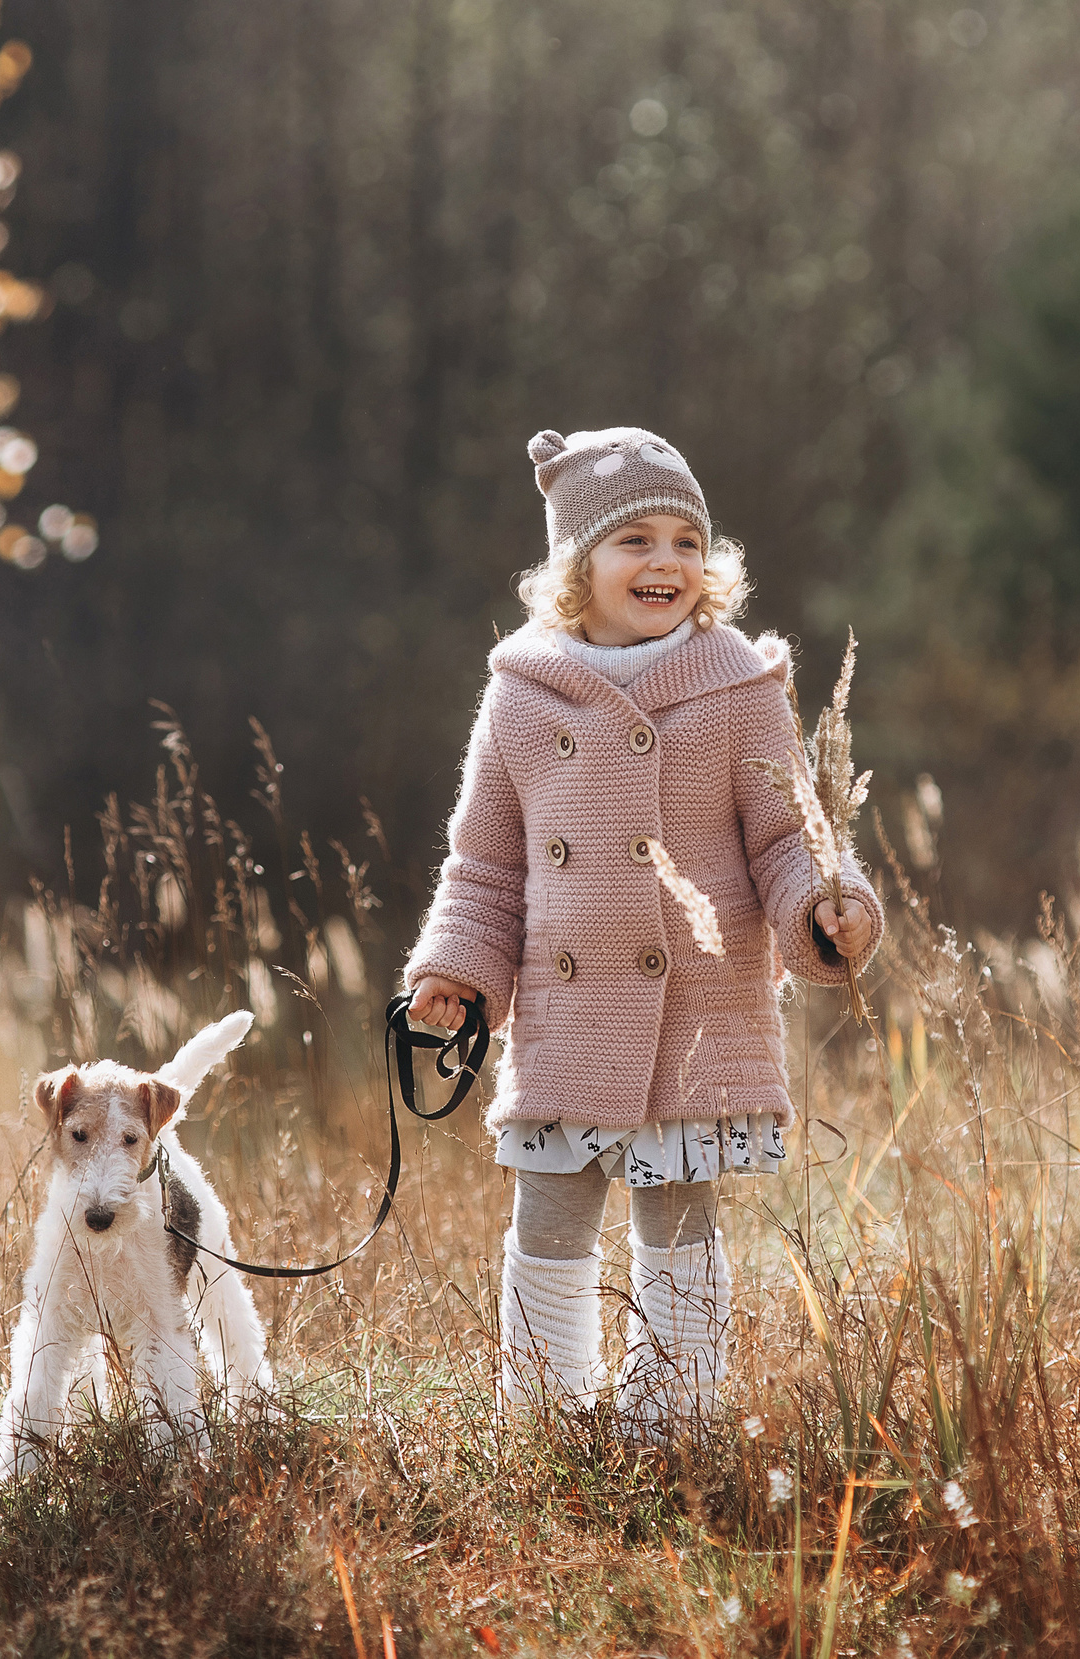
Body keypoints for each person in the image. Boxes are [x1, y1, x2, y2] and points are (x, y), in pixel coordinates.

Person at [401, 426, 882, 1433]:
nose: (664, 562)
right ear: (575, 566)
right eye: (634, 542)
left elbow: (786, 839)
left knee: (678, 1221)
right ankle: (544, 1414)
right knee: (550, 1218)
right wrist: (455, 971)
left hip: (695, 1015)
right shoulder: (521, 696)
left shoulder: (738, 686)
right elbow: (486, 863)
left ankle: (672, 1417)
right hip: (570, 1017)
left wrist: (824, 904)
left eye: (683, 541)